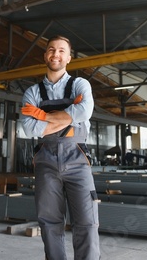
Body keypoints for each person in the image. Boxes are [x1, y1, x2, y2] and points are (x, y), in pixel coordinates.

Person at [20, 35, 100, 260]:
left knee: (86, 220)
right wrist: (69, 117)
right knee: (49, 221)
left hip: (77, 158)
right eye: (51, 50)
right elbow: (29, 129)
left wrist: (43, 116)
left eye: (62, 51)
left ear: (69, 58)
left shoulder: (80, 85)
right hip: (45, 159)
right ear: (45, 55)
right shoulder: (32, 92)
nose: (56, 54)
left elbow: (84, 112)